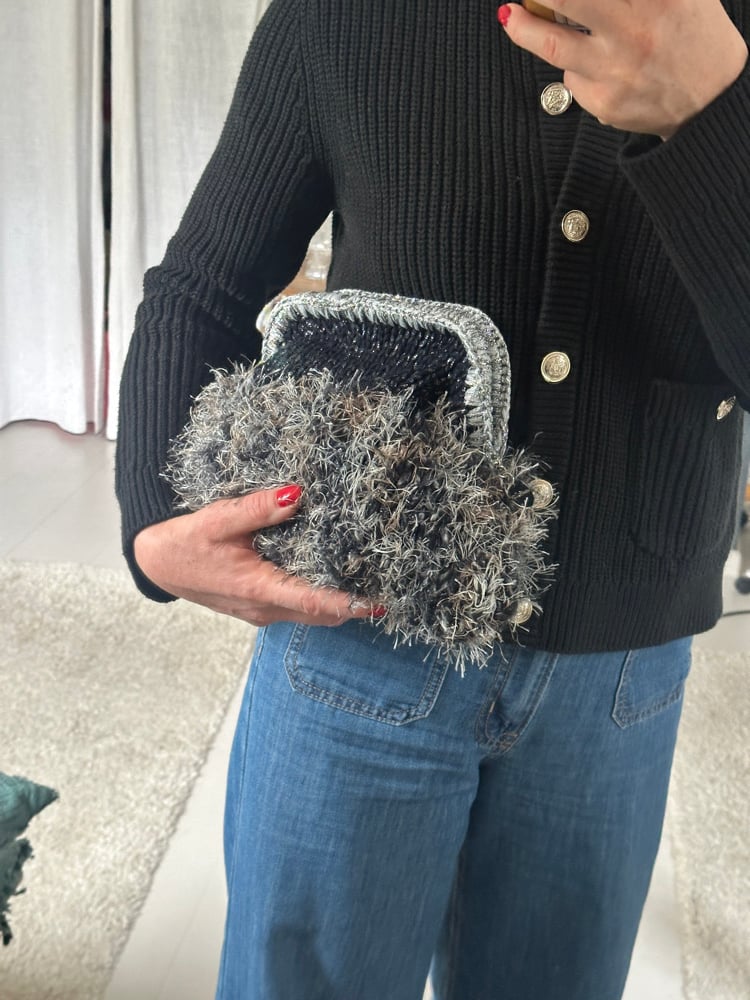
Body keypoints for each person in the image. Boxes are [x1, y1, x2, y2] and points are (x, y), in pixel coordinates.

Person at [114, 1, 749, 997]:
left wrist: (716, 116)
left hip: (621, 663)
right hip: (359, 636)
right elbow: (204, 283)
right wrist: (153, 520)